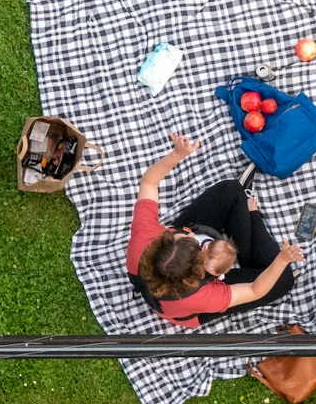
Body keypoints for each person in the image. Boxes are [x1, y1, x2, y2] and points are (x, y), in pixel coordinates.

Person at [125, 134, 304, 327]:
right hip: (192, 307)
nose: (191, 234)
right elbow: (254, 290)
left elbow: (149, 182)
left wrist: (177, 155)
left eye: (184, 236)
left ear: (160, 241)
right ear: (200, 270)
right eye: (195, 241)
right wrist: (282, 259)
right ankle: (253, 222)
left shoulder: (144, 236)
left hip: (179, 274)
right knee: (283, 279)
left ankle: (248, 253)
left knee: (230, 190)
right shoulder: (201, 296)